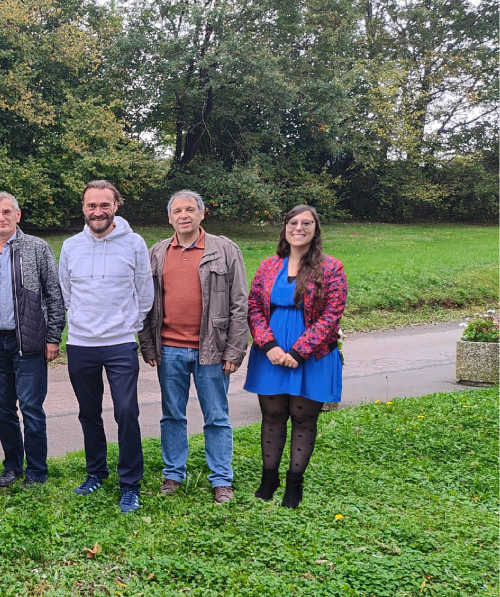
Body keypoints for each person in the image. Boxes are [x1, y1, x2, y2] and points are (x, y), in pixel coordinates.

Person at [137, 190, 249, 505]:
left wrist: (235, 350)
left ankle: (221, 480)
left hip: (211, 349)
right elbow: (145, 304)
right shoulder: (156, 253)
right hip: (169, 349)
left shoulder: (225, 250)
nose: (183, 215)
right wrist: (148, 345)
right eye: (177, 211)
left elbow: (241, 303)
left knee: (216, 415)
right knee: (171, 414)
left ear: (202, 214)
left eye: (189, 209)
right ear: (170, 217)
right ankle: (173, 474)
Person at [58, 180, 153, 513]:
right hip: (81, 343)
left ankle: (130, 484)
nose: (97, 211)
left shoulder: (135, 244)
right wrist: (82, 321)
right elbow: (65, 291)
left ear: (116, 205)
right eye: (91, 205)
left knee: (127, 411)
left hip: (120, 343)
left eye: (104, 205)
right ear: (83, 208)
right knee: (89, 412)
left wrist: (128, 325)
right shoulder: (71, 246)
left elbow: (145, 291)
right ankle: (95, 472)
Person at [244, 204, 347, 508]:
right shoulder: (268, 266)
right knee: (272, 416)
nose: (298, 228)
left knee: (303, 417)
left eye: (306, 223)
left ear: (316, 230)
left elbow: (332, 314)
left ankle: (294, 486)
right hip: (271, 353)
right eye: (293, 222)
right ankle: (269, 479)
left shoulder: (331, 267)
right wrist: (270, 347)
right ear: (285, 228)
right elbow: (254, 309)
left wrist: (299, 351)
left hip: (311, 354)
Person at [0, 192, 65, 488]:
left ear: (17, 214)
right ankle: (12, 465)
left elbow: (54, 295)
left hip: (27, 342)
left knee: (30, 407)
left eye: (6, 212)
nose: (1, 218)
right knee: (3, 409)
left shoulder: (37, 248)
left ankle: (37, 470)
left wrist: (53, 337)